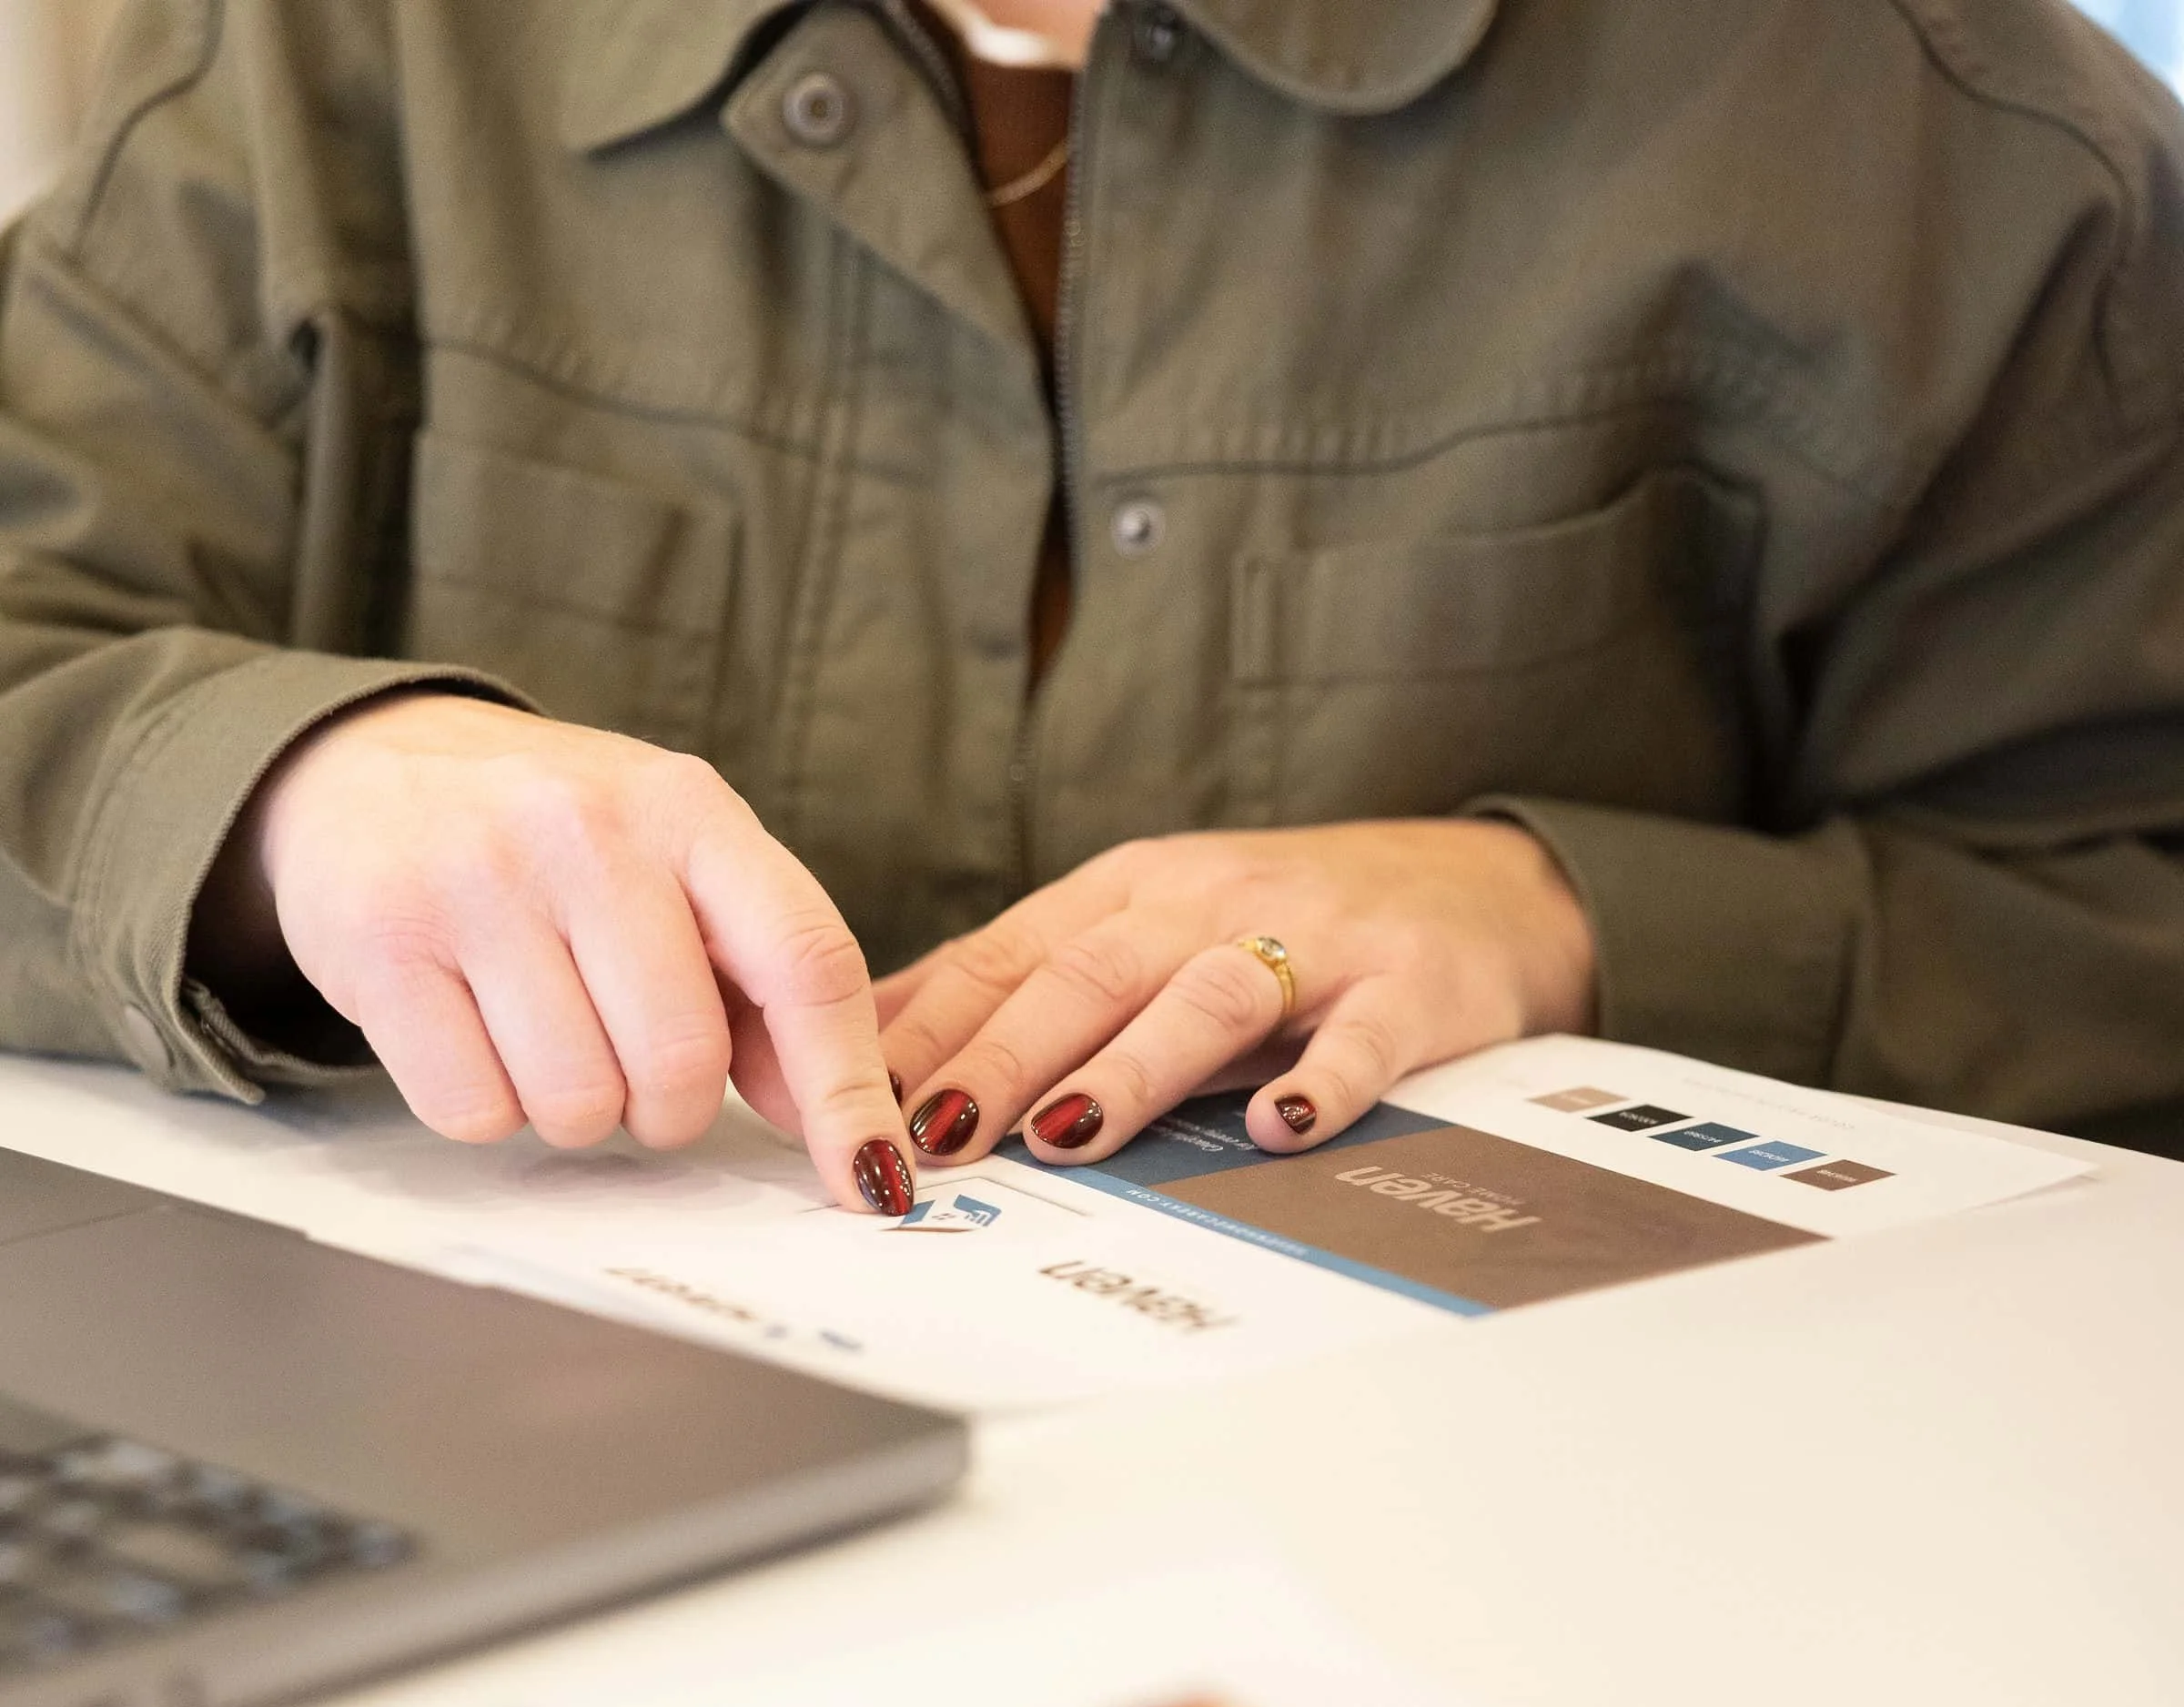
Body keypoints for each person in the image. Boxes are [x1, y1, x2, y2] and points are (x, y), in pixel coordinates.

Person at [1, 0, 2180, 1217]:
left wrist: (1561, 914)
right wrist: (290, 796)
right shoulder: (318, 53)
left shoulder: (1950, 141)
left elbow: (2121, 915)